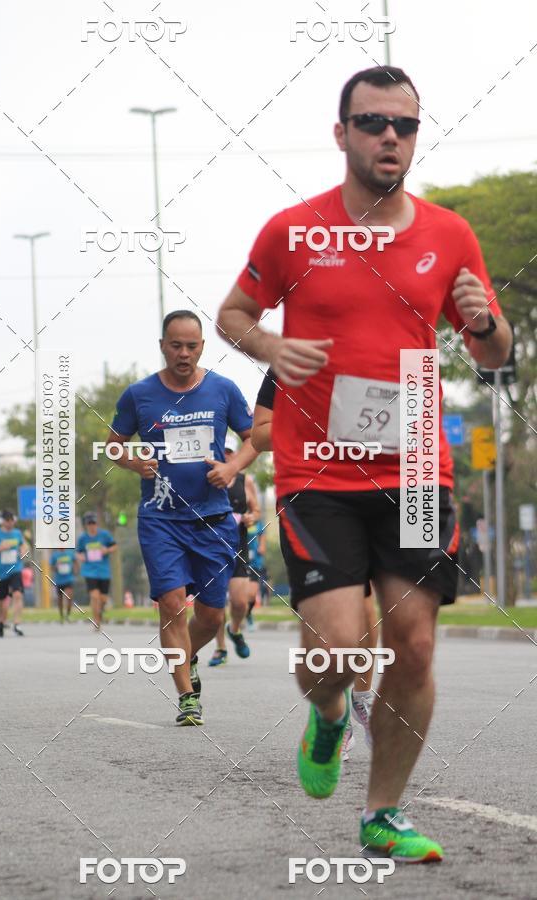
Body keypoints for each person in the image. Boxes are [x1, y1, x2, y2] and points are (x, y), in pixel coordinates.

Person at [217, 66, 513, 862]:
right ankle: (329, 710)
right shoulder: (294, 232)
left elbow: (492, 352)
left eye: (406, 126)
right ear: (341, 131)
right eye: (374, 122)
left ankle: (383, 812)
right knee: (342, 651)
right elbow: (233, 315)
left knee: (413, 644)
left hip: (418, 462)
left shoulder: (449, 234)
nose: (391, 137)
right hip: (320, 470)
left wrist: (488, 326)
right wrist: (273, 345)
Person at [107, 309, 256, 726]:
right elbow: (113, 446)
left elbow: (255, 438)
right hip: (161, 518)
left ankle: (187, 654)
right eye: (176, 345)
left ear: (202, 347)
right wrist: (134, 461)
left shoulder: (222, 390)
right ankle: (187, 697)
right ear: (162, 346)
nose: (184, 353)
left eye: (192, 346)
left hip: (213, 518)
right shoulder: (139, 395)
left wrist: (231, 469)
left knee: (212, 616)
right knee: (172, 604)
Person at [252, 367, 377, 758]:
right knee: (325, 621)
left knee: (365, 608)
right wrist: (314, 423)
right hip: (305, 501)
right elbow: (259, 434)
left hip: (365, 493)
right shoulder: (288, 360)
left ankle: (363, 699)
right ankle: (332, 711)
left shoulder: (377, 349)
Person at [208, 434, 260, 666]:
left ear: (237, 455)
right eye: (223, 451)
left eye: (231, 452)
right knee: (216, 603)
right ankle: (220, 649)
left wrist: (251, 518)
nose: (227, 455)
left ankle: (235, 629)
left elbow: (256, 510)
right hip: (211, 547)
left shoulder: (245, 481)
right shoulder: (208, 478)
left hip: (237, 547)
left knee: (239, 602)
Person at [0, 510, 28, 637]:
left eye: (11, 519)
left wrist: (23, 551)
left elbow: (23, 546)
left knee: (18, 594)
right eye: (7, 520)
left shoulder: (17, 533)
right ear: (2, 521)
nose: (9, 522)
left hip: (15, 569)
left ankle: (17, 623)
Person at [76, 513, 116, 630]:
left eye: (93, 523)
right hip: (89, 570)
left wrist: (107, 550)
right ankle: (96, 621)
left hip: (104, 571)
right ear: (86, 525)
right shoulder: (83, 538)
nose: (92, 526)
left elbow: (114, 546)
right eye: (89, 524)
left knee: (103, 599)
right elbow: (78, 552)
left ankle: (100, 612)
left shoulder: (105, 535)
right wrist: (80, 557)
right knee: (94, 596)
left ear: (97, 524)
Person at [50, 547, 77, 622]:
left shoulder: (70, 553)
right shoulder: (54, 555)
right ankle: (61, 616)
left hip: (69, 579)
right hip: (59, 580)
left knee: (69, 597)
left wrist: (75, 570)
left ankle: (68, 615)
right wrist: (56, 566)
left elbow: (75, 562)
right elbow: (51, 567)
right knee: (60, 599)